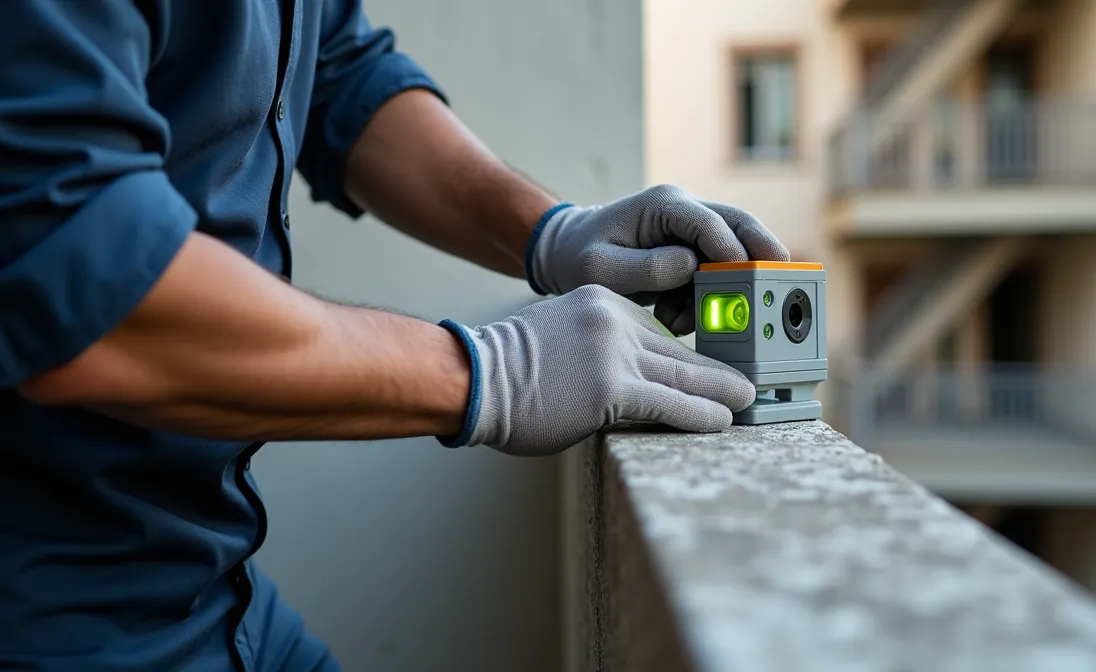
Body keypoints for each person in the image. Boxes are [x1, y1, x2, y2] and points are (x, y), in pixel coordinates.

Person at [0, 2, 790, 670]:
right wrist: (493, 375)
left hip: (216, 586)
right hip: (55, 610)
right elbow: (81, 279)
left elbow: (343, 73)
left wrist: (552, 233)